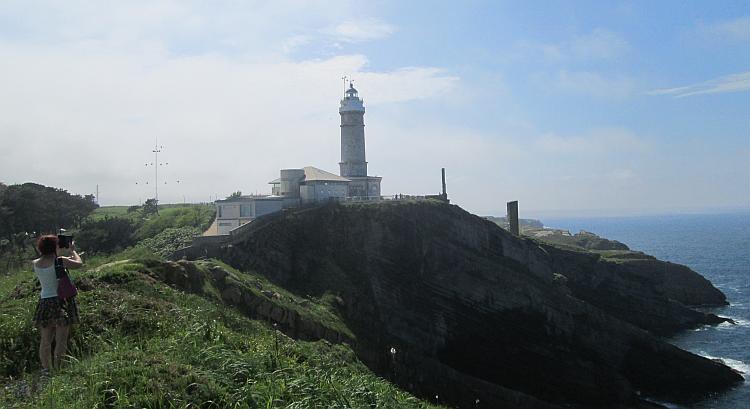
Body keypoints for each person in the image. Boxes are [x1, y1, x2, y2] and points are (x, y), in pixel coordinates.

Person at [31, 235, 83, 373]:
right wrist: (72, 250)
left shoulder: (35, 263)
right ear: (55, 246)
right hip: (60, 301)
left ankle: (46, 369)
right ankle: (59, 368)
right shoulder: (60, 261)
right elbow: (79, 263)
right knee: (61, 340)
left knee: (45, 340)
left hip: (44, 302)